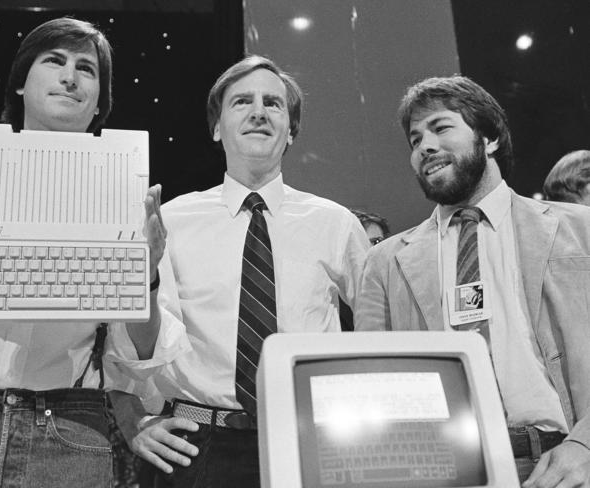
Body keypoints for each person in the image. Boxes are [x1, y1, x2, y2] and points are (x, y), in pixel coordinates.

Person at [0, 17, 187, 487]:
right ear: (20, 84)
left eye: (86, 68)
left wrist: (146, 278)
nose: (70, 77)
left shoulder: (130, 202)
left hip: (72, 426)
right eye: (54, 61)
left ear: (99, 103)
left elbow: (143, 352)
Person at [113, 55, 369, 487]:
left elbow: (382, 330)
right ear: (217, 128)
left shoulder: (336, 223)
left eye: (273, 103)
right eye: (242, 102)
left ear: (292, 130)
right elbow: (129, 348)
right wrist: (131, 421)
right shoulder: (171, 221)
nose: (258, 112)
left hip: (310, 440)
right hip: (195, 445)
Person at [354, 75, 590, 487]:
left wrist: (585, 446)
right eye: (414, 140)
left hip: (564, 462)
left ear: (491, 138)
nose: (424, 146)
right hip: (442, 471)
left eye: (441, 127)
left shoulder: (581, 230)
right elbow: (374, 390)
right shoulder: (384, 263)